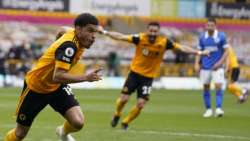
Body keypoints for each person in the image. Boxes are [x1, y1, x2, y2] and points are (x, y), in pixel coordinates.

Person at [4, 13, 102, 141]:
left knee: (78, 122)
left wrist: (55, 44)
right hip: (36, 88)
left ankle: (62, 132)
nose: (93, 36)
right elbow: (58, 76)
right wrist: (86, 77)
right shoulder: (69, 46)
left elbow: (62, 29)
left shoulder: (74, 34)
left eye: (95, 32)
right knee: (20, 133)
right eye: (90, 31)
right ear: (78, 29)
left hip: (56, 87)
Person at [98, 22, 209, 129]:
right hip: (134, 74)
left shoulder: (164, 42)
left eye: (155, 31)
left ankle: (125, 122)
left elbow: (181, 48)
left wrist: (199, 53)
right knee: (123, 99)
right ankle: (117, 114)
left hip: (148, 78)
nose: (152, 33)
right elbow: (121, 37)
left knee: (141, 104)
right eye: (151, 30)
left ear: (158, 32)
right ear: (147, 30)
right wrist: (104, 32)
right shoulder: (140, 38)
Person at [194, 18, 229, 118]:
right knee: (206, 88)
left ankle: (218, 108)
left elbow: (227, 51)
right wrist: (196, 63)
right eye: (208, 25)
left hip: (217, 67)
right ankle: (208, 109)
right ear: (206, 26)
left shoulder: (221, 36)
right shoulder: (202, 37)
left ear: (215, 26)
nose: (210, 27)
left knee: (218, 86)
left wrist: (220, 63)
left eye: (212, 25)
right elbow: (199, 51)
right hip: (205, 67)